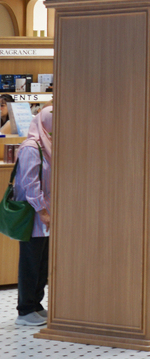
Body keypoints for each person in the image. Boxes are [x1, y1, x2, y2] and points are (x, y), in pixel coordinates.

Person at [13, 106, 50, 327]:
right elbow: (30, 183)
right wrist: (42, 210)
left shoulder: (48, 146)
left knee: (42, 262)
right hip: (34, 214)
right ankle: (25, 309)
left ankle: (36, 304)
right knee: (30, 262)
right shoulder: (31, 147)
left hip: (48, 214)